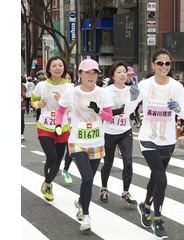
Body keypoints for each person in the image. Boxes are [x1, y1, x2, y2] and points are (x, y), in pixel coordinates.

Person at [124, 48, 184, 239]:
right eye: (160, 63)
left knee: (156, 178)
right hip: (148, 139)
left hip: (168, 141)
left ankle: (145, 206)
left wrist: (178, 109)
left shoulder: (177, 87)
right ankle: (158, 219)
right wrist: (133, 95)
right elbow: (128, 109)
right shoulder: (144, 85)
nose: (163, 66)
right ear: (153, 65)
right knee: (162, 179)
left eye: (167, 63)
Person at [55, 58, 112, 231]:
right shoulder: (72, 93)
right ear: (79, 74)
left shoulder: (103, 93)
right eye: (87, 72)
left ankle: (81, 202)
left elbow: (109, 117)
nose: (91, 76)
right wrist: (58, 124)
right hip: (77, 142)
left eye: (94, 73)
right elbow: (60, 110)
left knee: (89, 180)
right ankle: (86, 217)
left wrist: (99, 110)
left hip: (96, 142)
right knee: (87, 177)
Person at [31, 56, 73, 202]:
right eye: (54, 66)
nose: (57, 68)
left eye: (60, 65)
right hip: (45, 127)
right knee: (52, 157)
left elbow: (73, 107)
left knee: (58, 161)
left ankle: (47, 183)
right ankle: (48, 184)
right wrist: (38, 105)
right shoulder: (41, 85)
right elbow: (32, 101)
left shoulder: (69, 87)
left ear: (64, 68)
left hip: (63, 127)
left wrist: (63, 100)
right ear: (49, 69)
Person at [99, 60, 137, 206]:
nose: (122, 75)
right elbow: (104, 112)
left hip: (125, 130)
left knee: (128, 162)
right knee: (108, 163)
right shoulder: (106, 91)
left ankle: (126, 193)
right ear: (113, 75)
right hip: (109, 132)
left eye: (124, 72)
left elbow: (132, 109)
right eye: (119, 72)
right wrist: (120, 110)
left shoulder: (130, 90)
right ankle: (104, 189)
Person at [61, 70, 75, 184]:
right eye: (65, 78)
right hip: (60, 127)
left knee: (70, 151)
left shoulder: (75, 92)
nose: (67, 81)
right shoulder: (57, 93)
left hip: (72, 128)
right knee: (58, 151)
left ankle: (65, 170)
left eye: (69, 78)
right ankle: (54, 164)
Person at [21, 76, 27, 141]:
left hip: (21, 105)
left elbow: (25, 95)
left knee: (22, 120)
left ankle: (21, 134)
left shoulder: (23, 86)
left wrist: (24, 95)